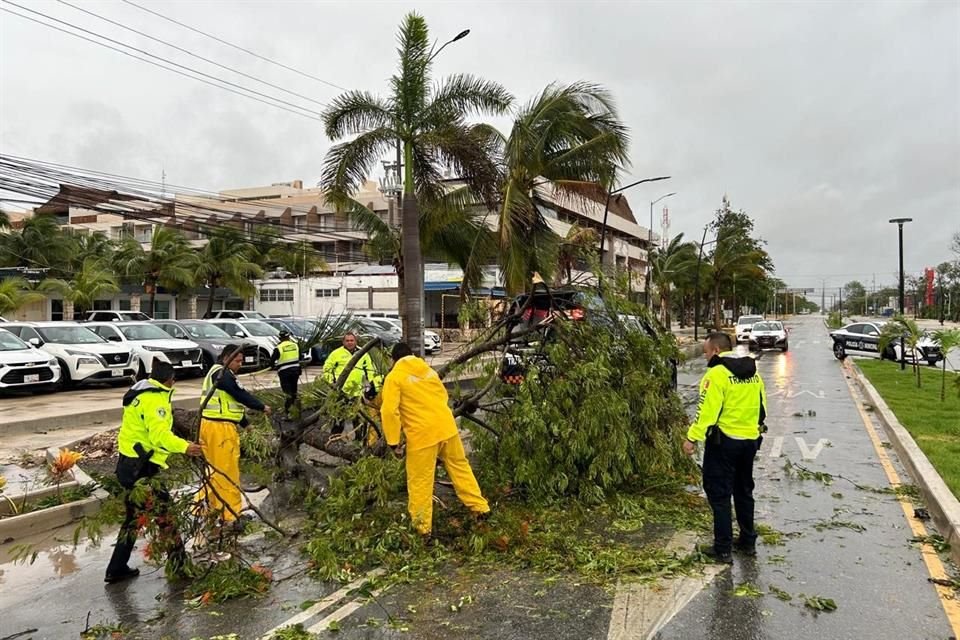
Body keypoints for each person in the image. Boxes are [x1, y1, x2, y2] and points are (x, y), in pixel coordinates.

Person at [105, 360, 203, 584]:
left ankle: (116, 568)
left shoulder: (141, 394)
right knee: (165, 517)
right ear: (170, 379)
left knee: (133, 520)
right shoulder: (154, 400)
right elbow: (159, 435)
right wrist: (185, 447)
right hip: (142, 471)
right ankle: (179, 567)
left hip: (129, 467)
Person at [381, 342, 490, 536]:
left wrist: (393, 442)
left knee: (420, 481)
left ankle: (423, 529)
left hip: (422, 435)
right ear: (412, 354)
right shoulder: (428, 371)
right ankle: (480, 508)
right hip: (447, 428)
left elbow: (389, 411)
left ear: (393, 359)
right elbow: (441, 397)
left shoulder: (394, 377)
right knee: (460, 468)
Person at [683, 332, 767, 563]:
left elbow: (705, 412)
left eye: (706, 351)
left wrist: (692, 438)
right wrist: (756, 430)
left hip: (724, 443)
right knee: (743, 490)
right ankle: (748, 541)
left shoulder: (716, 374)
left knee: (719, 494)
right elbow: (762, 406)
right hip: (749, 441)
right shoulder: (753, 373)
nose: (705, 356)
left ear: (716, 351)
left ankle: (722, 548)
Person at [196, 344, 271, 526]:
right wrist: (261, 407)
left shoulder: (220, 374)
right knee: (226, 472)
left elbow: (230, 404)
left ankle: (211, 510)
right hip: (219, 429)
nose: (239, 364)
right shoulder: (221, 374)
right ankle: (230, 515)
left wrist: (246, 425)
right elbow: (238, 394)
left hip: (215, 426)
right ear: (227, 357)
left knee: (215, 470)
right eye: (237, 361)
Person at [323, 332, 378, 436]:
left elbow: (370, 370)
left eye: (352, 340)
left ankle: (359, 442)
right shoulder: (336, 353)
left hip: (357, 392)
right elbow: (327, 369)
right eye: (347, 341)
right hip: (341, 392)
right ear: (343, 342)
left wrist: (371, 385)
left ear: (356, 341)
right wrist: (332, 383)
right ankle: (335, 440)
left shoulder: (363, 353)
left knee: (358, 419)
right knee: (339, 419)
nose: (349, 343)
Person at [270, 329, 301, 414]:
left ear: (280, 338)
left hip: (285, 372)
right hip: (295, 370)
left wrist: (272, 366)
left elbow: (272, 360)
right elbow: (300, 356)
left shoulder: (279, 347)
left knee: (288, 393)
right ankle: (296, 410)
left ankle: (288, 413)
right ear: (288, 337)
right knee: (294, 390)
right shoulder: (295, 345)